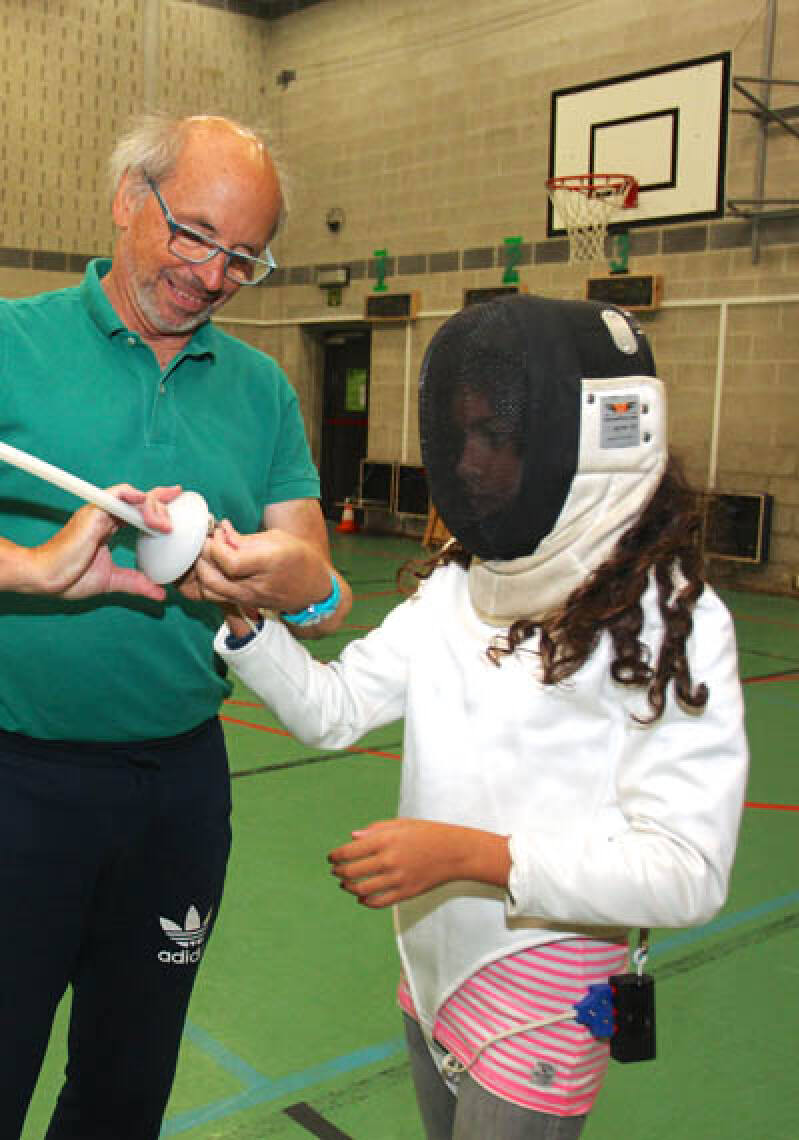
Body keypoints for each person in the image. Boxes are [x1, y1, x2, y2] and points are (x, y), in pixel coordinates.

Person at [0, 113, 349, 1140]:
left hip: (180, 789)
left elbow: (314, 575)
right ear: (129, 199)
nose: (210, 276)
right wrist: (30, 568)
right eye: (193, 235)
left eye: (242, 258)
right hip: (13, 788)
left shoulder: (260, 388)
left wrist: (289, 580)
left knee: (127, 1091)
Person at [213, 296, 749, 1139]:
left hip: (544, 989)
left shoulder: (666, 619)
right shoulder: (462, 585)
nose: (467, 461)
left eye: (496, 436)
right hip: (429, 967)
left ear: (594, 443)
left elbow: (687, 871)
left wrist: (468, 855)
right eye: (461, 434)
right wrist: (245, 618)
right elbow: (333, 710)